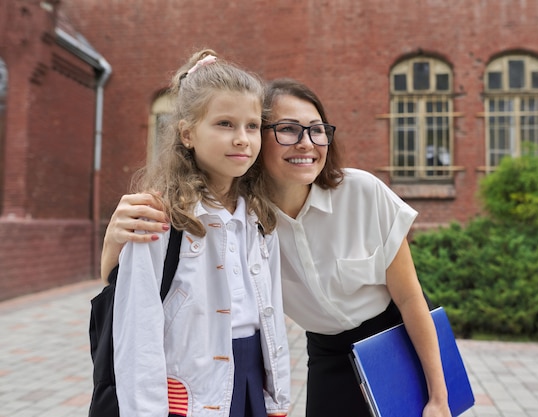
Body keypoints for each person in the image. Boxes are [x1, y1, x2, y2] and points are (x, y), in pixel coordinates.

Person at [103, 78, 451, 417]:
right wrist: (114, 237)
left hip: (396, 341)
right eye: (288, 129)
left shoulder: (362, 193)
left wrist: (439, 397)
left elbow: (410, 299)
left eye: (317, 130)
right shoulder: (248, 218)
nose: (306, 143)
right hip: (328, 355)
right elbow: (130, 292)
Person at [110, 49, 290, 417]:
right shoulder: (159, 217)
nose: (242, 139)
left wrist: (278, 398)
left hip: (252, 380)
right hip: (189, 391)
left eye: (252, 126)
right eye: (225, 124)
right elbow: (137, 331)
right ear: (188, 133)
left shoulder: (260, 217)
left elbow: (272, 315)